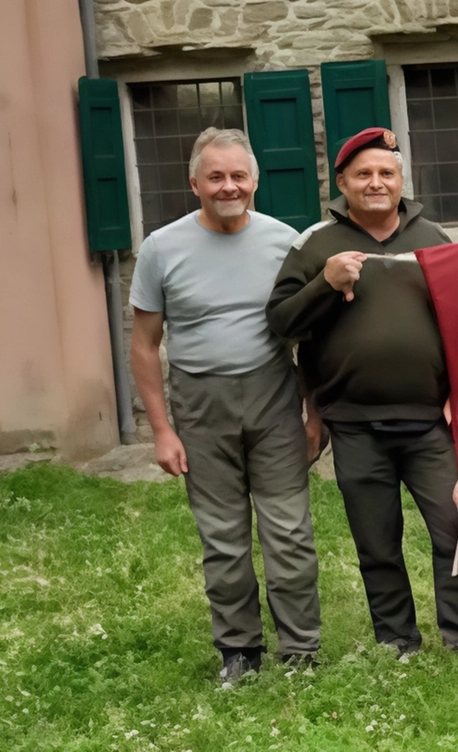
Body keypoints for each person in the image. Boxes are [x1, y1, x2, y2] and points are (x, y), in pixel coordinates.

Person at [267, 127, 458, 657]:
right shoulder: (315, 243)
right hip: (354, 423)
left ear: (401, 180)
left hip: (431, 421)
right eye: (363, 174)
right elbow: (280, 322)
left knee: (456, 530)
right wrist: (323, 281)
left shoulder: (432, 239)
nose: (375, 182)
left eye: (386, 172)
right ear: (341, 181)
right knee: (376, 543)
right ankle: (397, 642)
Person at [128, 128, 320, 682]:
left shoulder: (285, 241)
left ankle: (301, 649)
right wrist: (161, 431)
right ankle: (239, 651)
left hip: (273, 395)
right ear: (195, 183)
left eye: (238, 176)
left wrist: (314, 415)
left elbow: (309, 338)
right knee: (222, 534)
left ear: (255, 181)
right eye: (216, 177)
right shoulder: (161, 248)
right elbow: (144, 345)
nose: (228, 186)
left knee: (288, 529)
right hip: (199, 402)